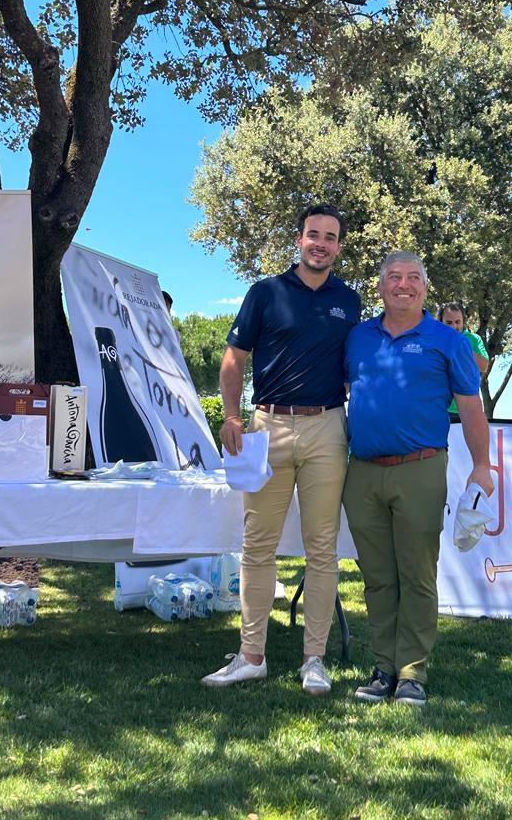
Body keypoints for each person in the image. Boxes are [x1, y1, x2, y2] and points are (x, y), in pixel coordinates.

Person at [202, 202, 361, 695]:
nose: (321, 243)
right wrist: (232, 416)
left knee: (321, 548)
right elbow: (233, 359)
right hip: (266, 426)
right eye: (313, 234)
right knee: (257, 545)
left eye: (330, 237)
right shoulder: (265, 293)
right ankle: (252, 655)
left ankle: (314, 659)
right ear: (298, 239)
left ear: (339, 245)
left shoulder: (350, 301)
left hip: (328, 428)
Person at [344, 252, 493, 707]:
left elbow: (470, 407)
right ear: (381, 286)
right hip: (363, 472)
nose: (402, 285)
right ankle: (383, 667)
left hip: (421, 467)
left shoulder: (448, 340)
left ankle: (412, 672)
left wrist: (482, 465)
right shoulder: (357, 338)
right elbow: (345, 392)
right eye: (393, 277)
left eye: (412, 278)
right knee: (377, 577)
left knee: (417, 574)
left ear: (425, 289)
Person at [437, 301, 490, 374]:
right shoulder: (433, 339)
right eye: (449, 323)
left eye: (457, 322)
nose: (453, 326)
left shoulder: (474, 338)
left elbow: (484, 367)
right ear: (441, 322)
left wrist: (462, 348)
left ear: (463, 321)